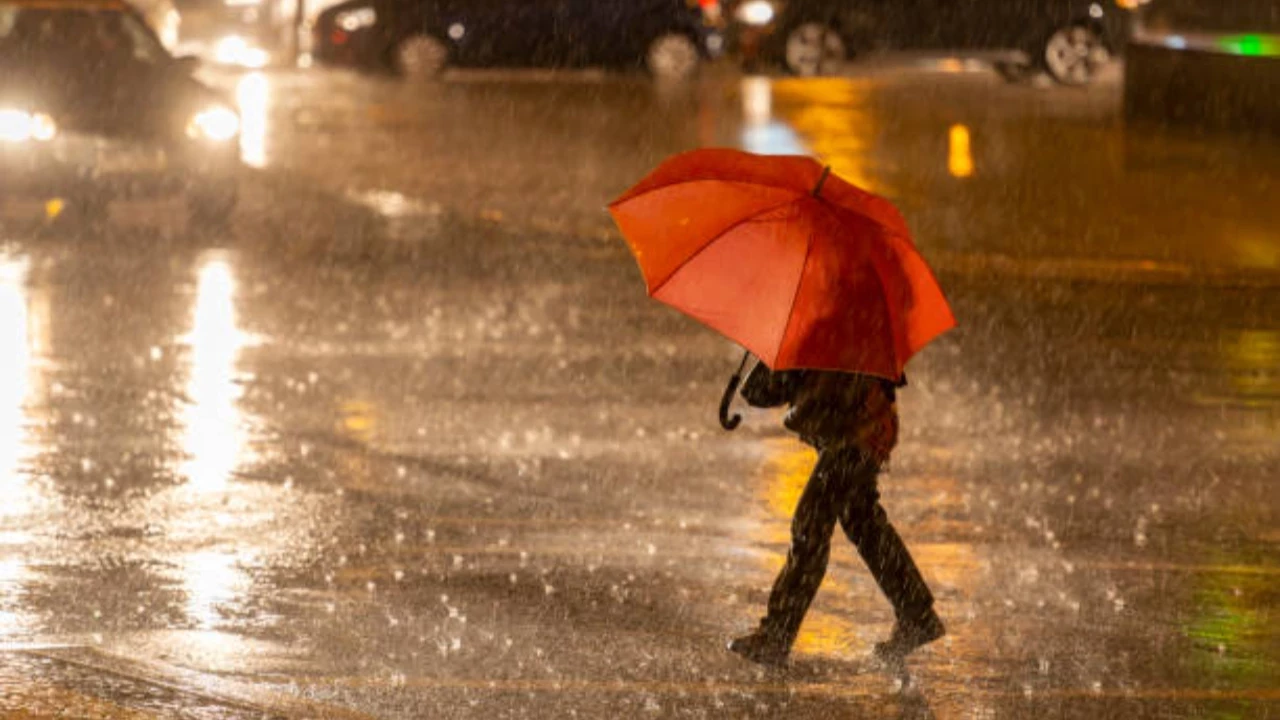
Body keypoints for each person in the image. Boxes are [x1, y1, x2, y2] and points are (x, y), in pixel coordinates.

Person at [727, 361, 944, 667]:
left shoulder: (839, 336)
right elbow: (766, 391)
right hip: (865, 432)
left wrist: (767, 369)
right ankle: (916, 612)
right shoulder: (835, 336)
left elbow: (782, 392)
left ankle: (776, 635)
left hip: (856, 436)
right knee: (862, 522)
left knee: (811, 526)